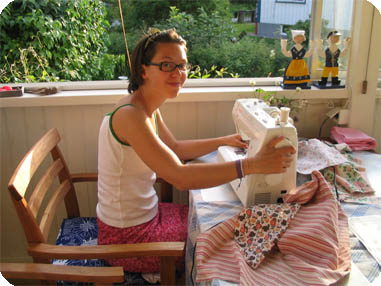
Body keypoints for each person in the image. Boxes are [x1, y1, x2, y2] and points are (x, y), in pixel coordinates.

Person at [96, 28, 296, 274]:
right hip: (128, 238)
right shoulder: (131, 116)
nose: (178, 74)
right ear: (143, 70)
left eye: (182, 65)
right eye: (167, 65)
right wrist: (251, 165)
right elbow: (180, 177)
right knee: (230, 242)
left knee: (223, 221)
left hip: (145, 217)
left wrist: (225, 140)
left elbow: (176, 149)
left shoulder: (145, 106)